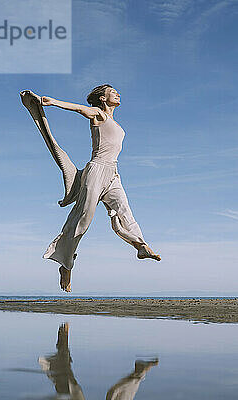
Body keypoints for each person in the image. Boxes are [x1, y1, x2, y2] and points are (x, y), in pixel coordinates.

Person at [40, 84, 161, 292]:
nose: (117, 93)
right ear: (103, 99)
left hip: (113, 174)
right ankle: (66, 265)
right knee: (82, 220)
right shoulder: (99, 114)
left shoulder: (114, 121)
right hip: (96, 171)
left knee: (125, 210)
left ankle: (140, 246)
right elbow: (80, 109)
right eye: (112, 92)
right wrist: (55, 102)